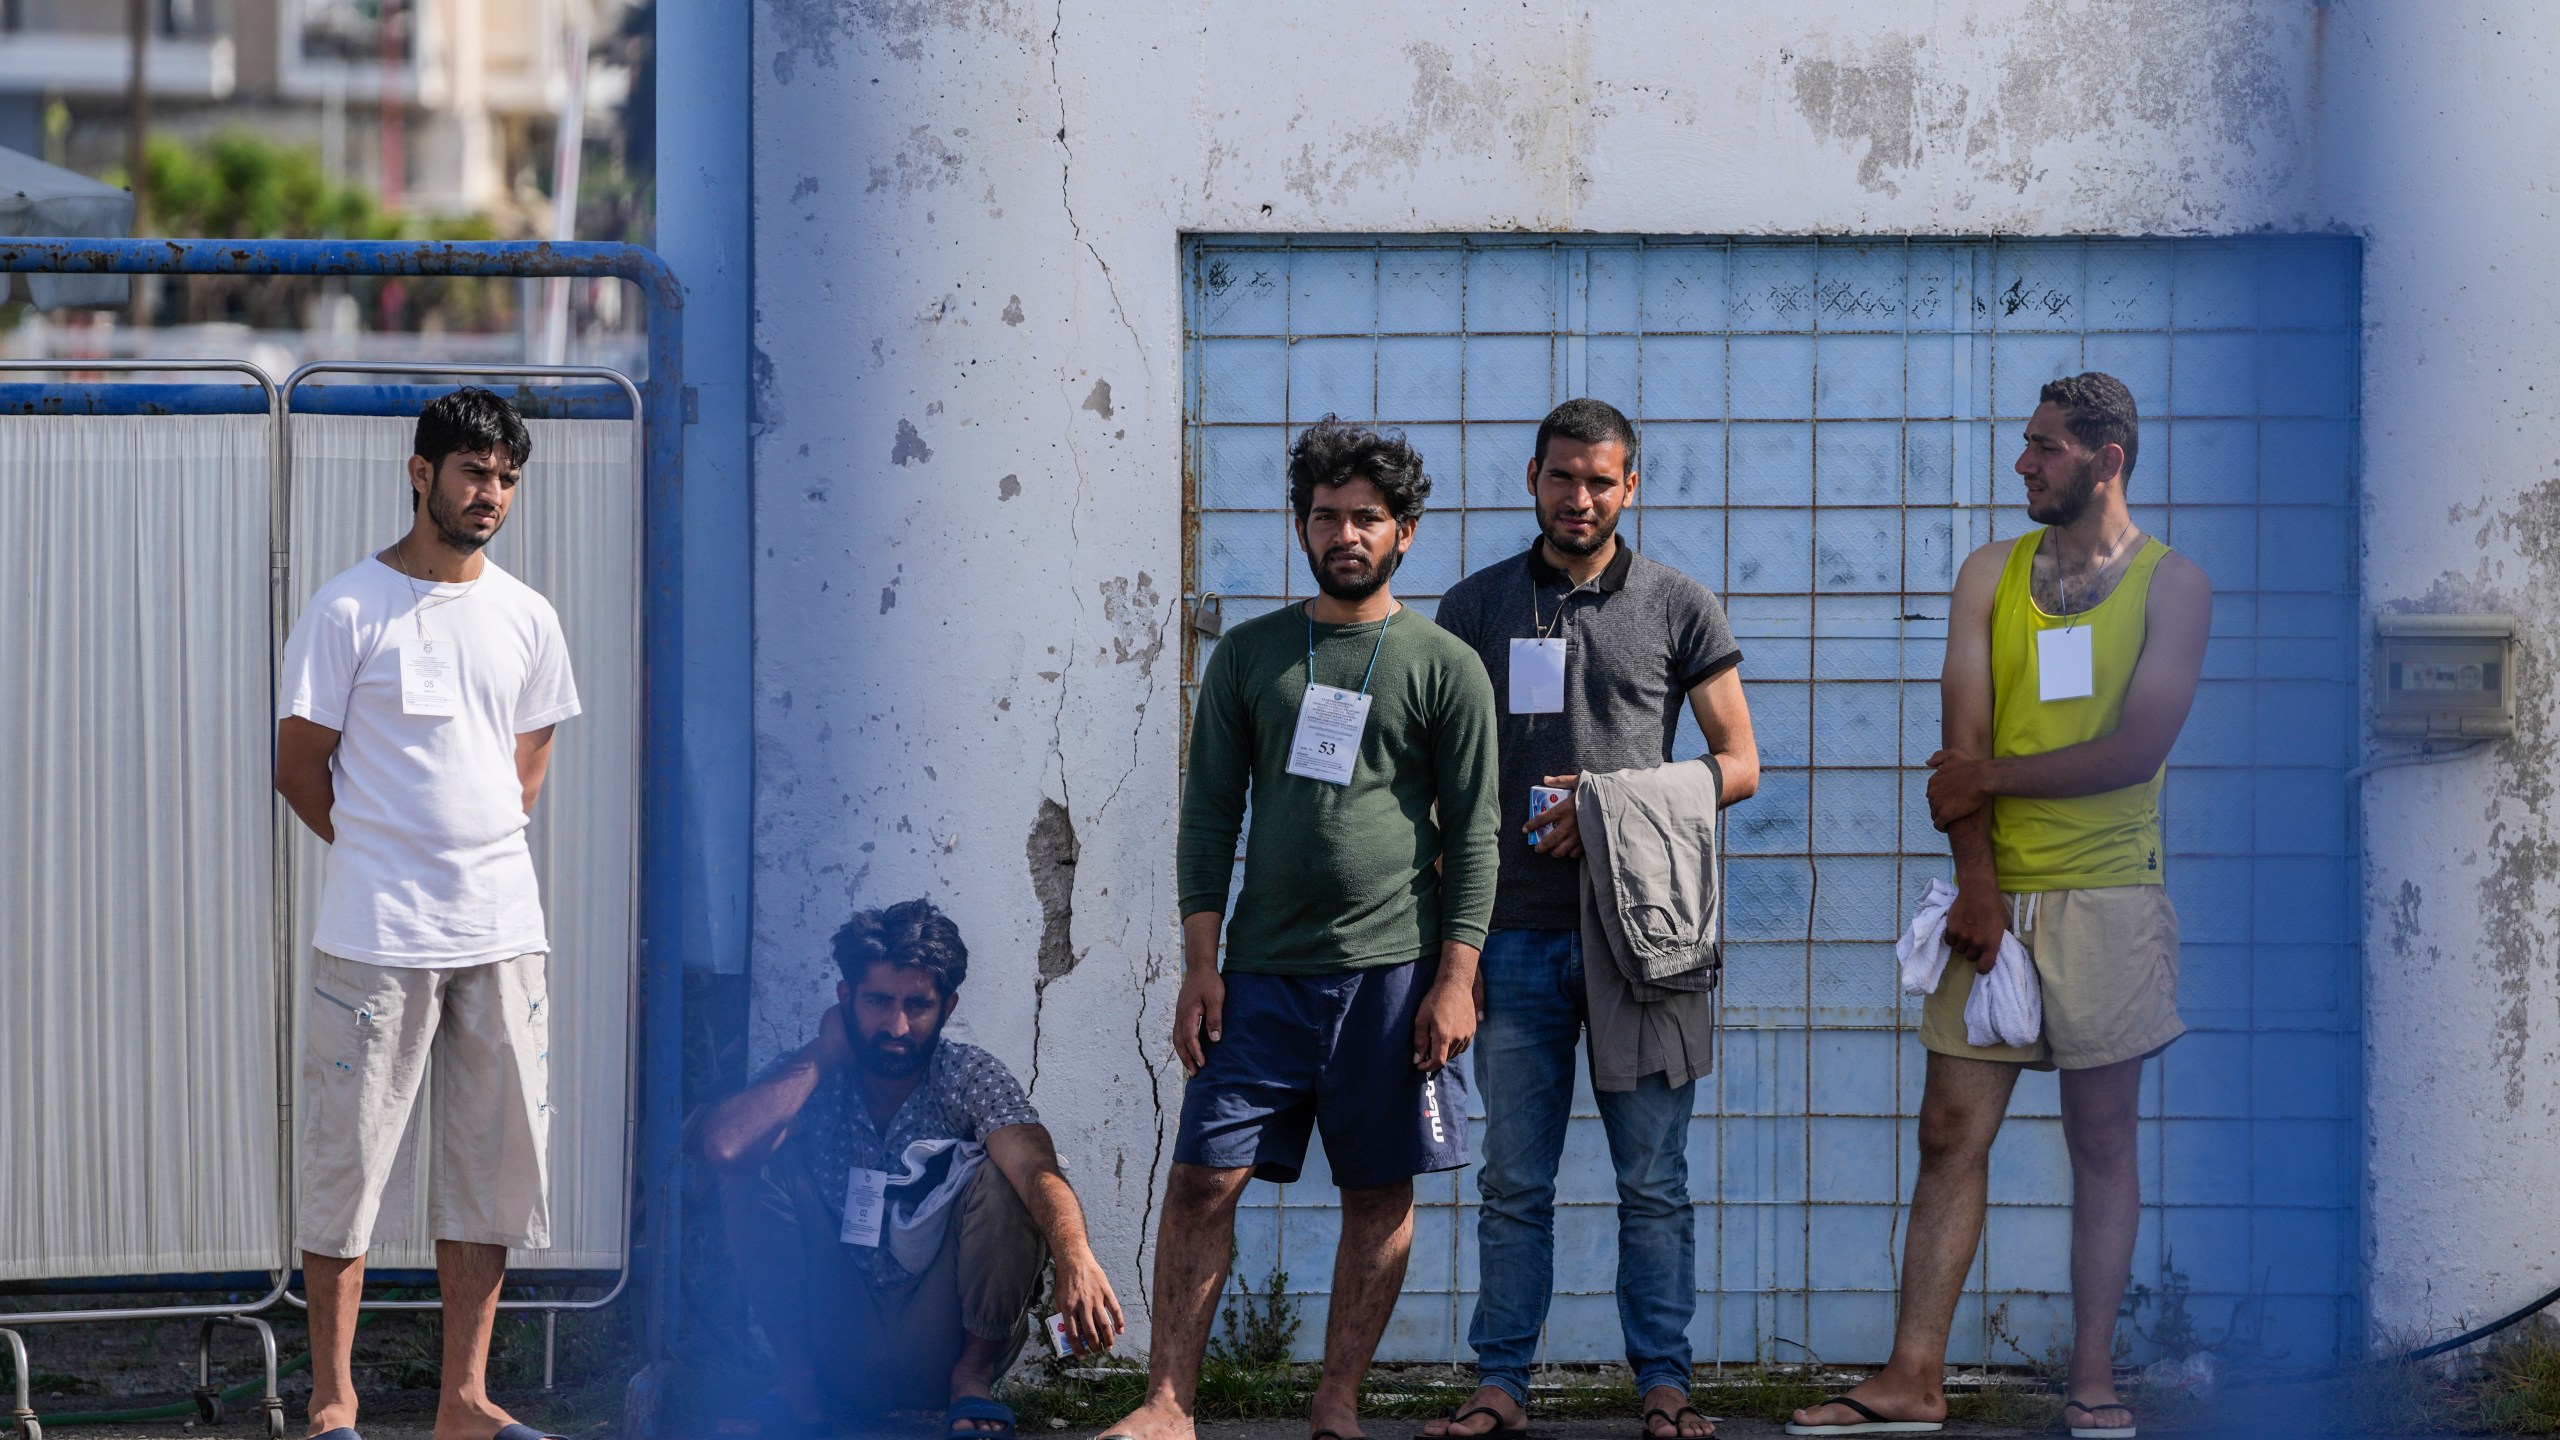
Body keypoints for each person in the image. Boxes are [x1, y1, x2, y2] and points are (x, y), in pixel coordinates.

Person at [1788, 373, 2211, 1440]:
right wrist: (1977, 881)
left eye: (2046, 448)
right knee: (1947, 1132)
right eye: (2024, 443)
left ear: (2107, 459)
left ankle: (2091, 1382)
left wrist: (1989, 784)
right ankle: (1910, 1379)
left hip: (2112, 895)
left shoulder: (2174, 586)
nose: (2022, 463)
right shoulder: (1991, 572)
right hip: (1993, 897)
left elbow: (2136, 751)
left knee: (2102, 1139)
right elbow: (1959, 751)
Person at [1101, 417, 1500, 1440]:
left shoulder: (1445, 664)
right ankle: (1167, 1406)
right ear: (1299, 526)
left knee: (1378, 1190)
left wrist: (1456, 980)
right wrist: (1200, 965)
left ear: (1405, 531)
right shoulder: (1251, 656)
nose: (1346, 533)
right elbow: (1206, 821)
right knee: (1201, 1181)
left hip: (1393, 979)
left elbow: (1478, 836)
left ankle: (1336, 1403)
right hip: (1262, 976)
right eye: (1326, 515)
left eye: (1367, 516)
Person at [1427, 398, 1761, 1440]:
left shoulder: (1677, 604)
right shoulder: (1475, 607)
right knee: (1513, 1181)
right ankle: (1500, 1387)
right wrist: (1454, 952)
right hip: (1513, 938)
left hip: (1644, 944)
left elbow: (1740, 766)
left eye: (1600, 482)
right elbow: (1440, 791)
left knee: (1652, 1183)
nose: (1580, 499)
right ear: (1532, 478)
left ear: (1632, 488)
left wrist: (1604, 805)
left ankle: (1663, 1387)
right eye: (1562, 478)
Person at [274, 386, 582, 1440]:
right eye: (471, 472)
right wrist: (383, 855)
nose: (489, 493)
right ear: (422, 474)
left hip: (503, 932)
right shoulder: (348, 607)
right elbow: (300, 769)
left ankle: (463, 1401)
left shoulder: (529, 616)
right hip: (374, 937)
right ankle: (332, 1400)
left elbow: (523, 775)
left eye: (504, 478)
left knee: (491, 1173)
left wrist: (461, 859)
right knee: (346, 1165)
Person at [700, 898, 1126, 1439]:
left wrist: (1075, 1256)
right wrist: (825, 1052)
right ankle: (797, 1388)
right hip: (836, 1335)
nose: (896, 1025)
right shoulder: (812, 1076)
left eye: (917, 1005)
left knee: (1004, 1179)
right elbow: (728, 1148)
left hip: (941, 1337)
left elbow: (1034, 1165)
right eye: (877, 1001)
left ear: (947, 1008)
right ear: (845, 997)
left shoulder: (967, 1074)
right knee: (756, 1161)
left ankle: (972, 1382)